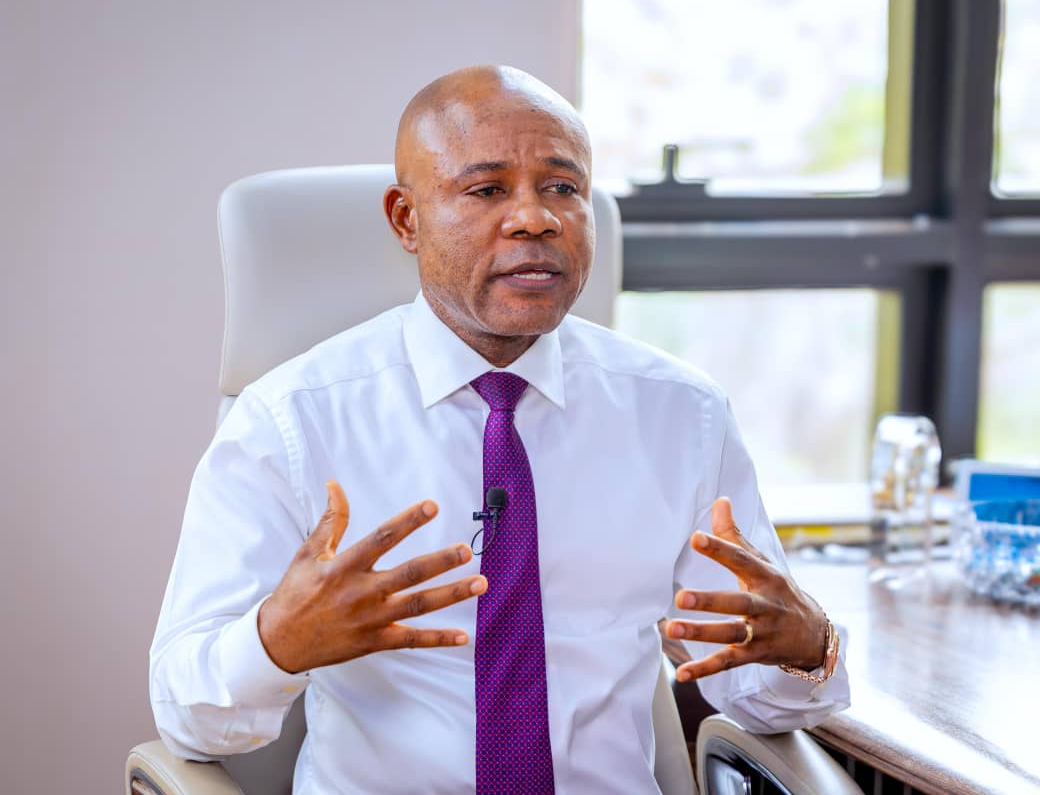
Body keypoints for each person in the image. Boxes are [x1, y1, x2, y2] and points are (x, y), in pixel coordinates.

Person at [150, 65, 850, 794]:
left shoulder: (681, 415)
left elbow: (765, 699)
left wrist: (810, 646)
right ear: (406, 219)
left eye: (563, 188)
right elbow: (185, 719)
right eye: (487, 190)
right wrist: (276, 645)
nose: (535, 219)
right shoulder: (291, 421)